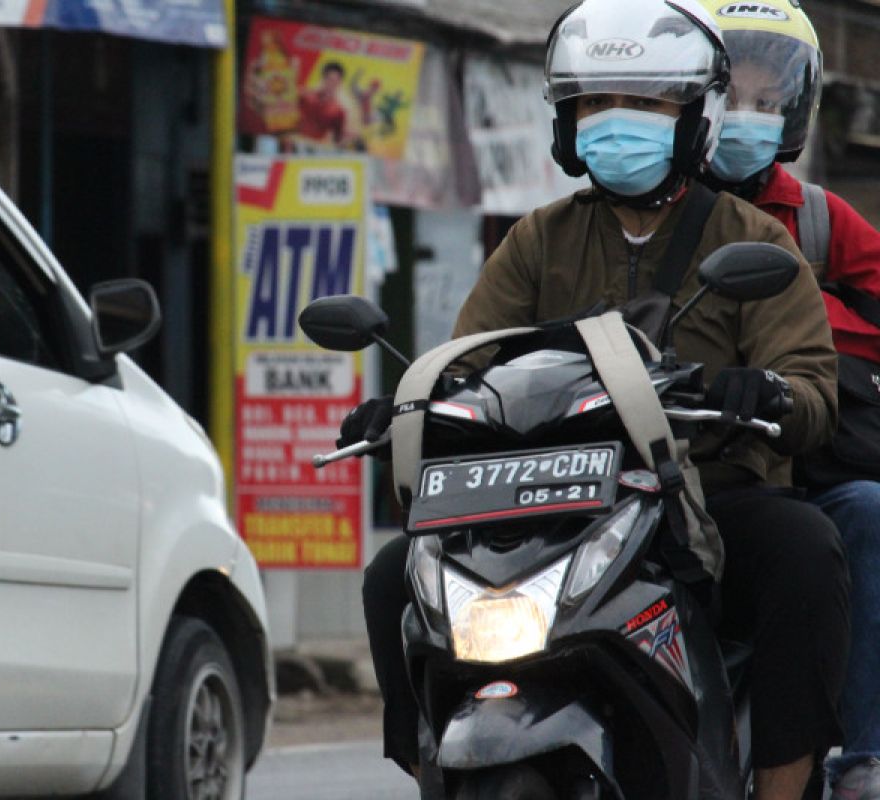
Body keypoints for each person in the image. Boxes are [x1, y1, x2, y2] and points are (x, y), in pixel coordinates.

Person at [349, 1, 850, 799]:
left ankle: (786, 790)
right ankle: (430, 772)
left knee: (804, 548)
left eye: (647, 106)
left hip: (703, 503)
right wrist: (407, 407)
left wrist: (771, 394)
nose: (619, 123)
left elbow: (813, 389)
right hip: (547, 501)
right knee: (390, 576)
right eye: (596, 104)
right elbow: (466, 361)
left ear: (692, 120)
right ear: (567, 124)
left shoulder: (754, 238)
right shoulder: (535, 239)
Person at [696, 1, 880, 796]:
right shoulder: (641, 209)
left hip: (800, 459)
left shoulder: (815, 217)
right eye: (731, 95)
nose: (747, 115)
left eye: (767, 102)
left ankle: (861, 757)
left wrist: (796, 329)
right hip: (683, 461)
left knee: (868, 512)